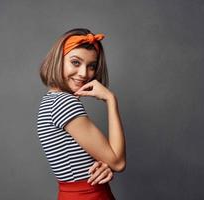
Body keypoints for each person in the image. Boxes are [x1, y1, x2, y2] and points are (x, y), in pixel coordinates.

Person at [37, 28, 126, 200]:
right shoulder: (64, 103)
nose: (84, 73)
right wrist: (110, 99)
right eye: (76, 62)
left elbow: (87, 161)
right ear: (58, 60)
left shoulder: (49, 101)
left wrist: (105, 164)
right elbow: (119, 162)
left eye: (91, 66)